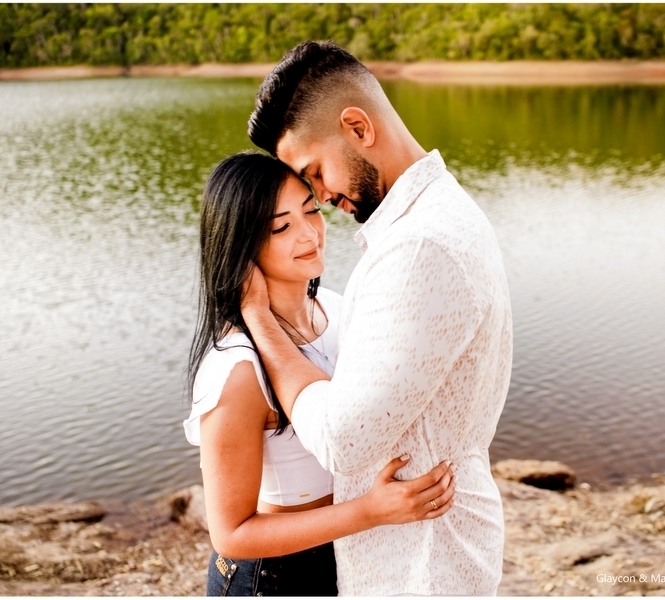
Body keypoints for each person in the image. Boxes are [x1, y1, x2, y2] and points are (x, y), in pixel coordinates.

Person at [240, 41, 514, 595]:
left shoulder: (419, 246)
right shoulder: (438, 214)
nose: (317, 196)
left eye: (314, 172)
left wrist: (261, 322)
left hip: (421, 564)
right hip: (434, 545)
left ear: (359, 128)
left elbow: (344, 440)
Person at [184, 151, 456, 597]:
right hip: (272, 576)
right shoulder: (235, 369)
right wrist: (370, 511)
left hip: (345, 552)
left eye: (311, 210)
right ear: (241, 246)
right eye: (281, 226)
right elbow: (231, 534)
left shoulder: (334, 307)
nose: (309, 233)